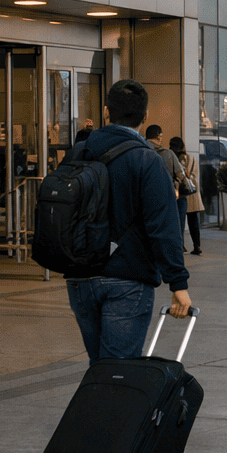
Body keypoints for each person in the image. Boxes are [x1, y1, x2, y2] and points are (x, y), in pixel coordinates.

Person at [65, 79, 193, 364]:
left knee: (100, 369)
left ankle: (95, 408)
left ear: (107, 111)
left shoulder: (79, 153)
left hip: (79, 277)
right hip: (127, 278)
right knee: (117, 374)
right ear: (145, 117)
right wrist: (178, 284)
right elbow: (163, 227)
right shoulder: (147, 161)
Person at [146, 124, 190, 252]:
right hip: (165, 197)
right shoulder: (168, 154)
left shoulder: (136, 152)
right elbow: (181, 175)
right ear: (159, 136)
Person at [170, 137, 203, 256]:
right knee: (194, 222)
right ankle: (197, 246)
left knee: (180, 222)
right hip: (193, 192)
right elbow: (195, 176)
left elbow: (177, 177)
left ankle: (181, 245)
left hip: (183, 193)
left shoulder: (175, 158)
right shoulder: (192, 158)